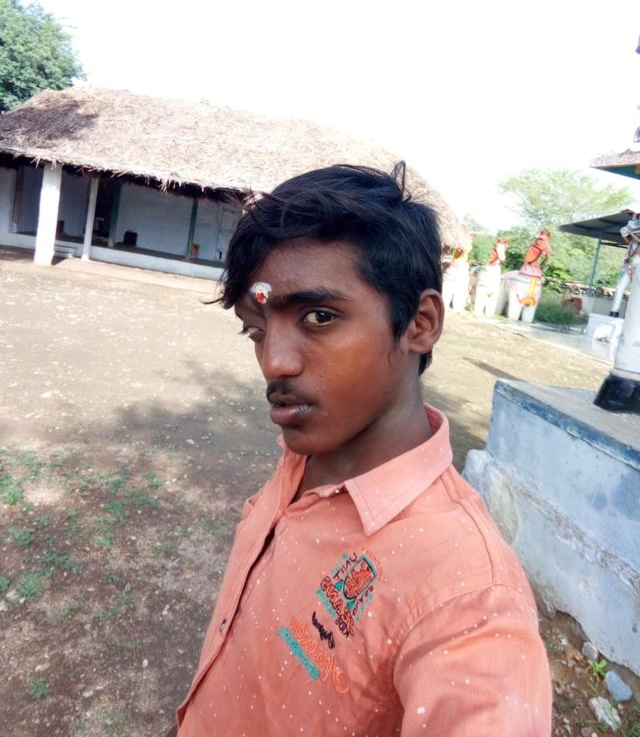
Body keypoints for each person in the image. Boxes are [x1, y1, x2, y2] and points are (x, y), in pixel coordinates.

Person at [174, 163, 552, 736]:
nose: (274, 363)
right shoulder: (303, 458)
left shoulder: (468, 598)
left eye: (319, 317)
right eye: (258, 330)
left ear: (420, 323)